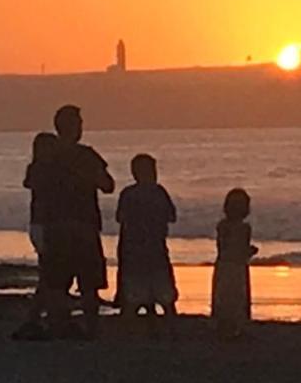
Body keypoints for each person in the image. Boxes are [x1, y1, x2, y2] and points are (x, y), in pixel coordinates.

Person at [41, 104, 114, 338]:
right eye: (79, 124)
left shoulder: (48, 158)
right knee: (89, 282)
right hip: (83, 224)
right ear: (73, 127)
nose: (82, 128)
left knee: (56, 282)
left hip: (55, 224)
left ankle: (58, 327)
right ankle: (91, 328)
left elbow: (34, 185)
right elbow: (108, 185)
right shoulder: (86, 155)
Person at [115, 153, 178, 335]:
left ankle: (129, 330)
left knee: (134, 293)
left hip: (133, 249)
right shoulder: (159, 192)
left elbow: (120, 217)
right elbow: (171, 216)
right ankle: (170, 328)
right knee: (164, 294)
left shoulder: (128, 194)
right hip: (155, 249)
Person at [13, 132, 59, 340]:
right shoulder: (41, 170)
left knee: (49, 273)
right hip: (43, 225)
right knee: (48, 273)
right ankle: (38, 316)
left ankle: (41, 316)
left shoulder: (37, 170)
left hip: (42, 224)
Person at [211, 187, 258, 339]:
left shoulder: (222, 226)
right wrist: (250, 251)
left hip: (224, 264)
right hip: (237, 266)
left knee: (224, 297)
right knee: (237, 296)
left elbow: (222, 247)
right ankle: (236, 327)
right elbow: (240, 249)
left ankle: (223, 326)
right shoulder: (244, 228)